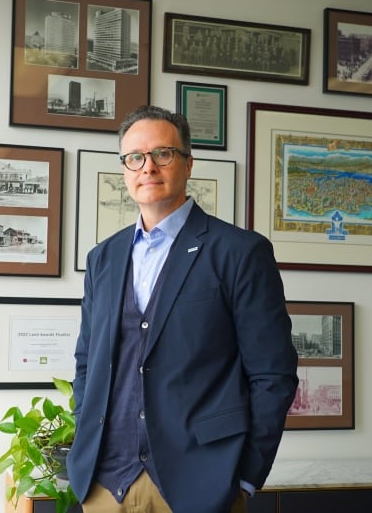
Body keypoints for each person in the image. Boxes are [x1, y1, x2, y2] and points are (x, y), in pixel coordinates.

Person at [67, 105, 298, 513]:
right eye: (135, 158)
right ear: (125, 169)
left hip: (202, 487)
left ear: (188, 163)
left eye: (163, 154)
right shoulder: (103, 257)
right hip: (106, 486)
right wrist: (85, 441)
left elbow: (273, 374)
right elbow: (87, 362)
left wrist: (245, 477)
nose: (148, 167)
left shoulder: (240, 252)